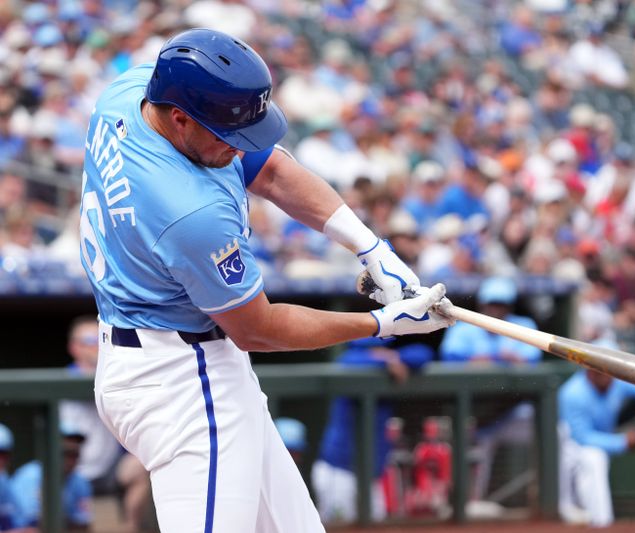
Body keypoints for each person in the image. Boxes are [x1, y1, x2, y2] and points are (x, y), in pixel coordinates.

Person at [80, 28, 452, 533]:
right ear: (180, 118)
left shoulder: (131, 92)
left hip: (170, 356)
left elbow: (271, 171)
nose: (240, 150)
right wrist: (381, 323)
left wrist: (371, 247)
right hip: (180, 380)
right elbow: (258, 328)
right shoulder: (189, 213)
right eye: (228, 136)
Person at [439, 277, 541, 502]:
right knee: (471, 478)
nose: (496, 310)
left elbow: (532, 360)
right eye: (492, 304)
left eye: (501, 305)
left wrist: (493, 360)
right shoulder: (462, 327)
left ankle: (548, 500)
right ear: (482, 305)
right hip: (474, 416)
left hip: (510, 413)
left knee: (555, 434)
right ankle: (465, 507)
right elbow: (449, 359)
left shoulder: (523, 325)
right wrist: (495, 359)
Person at [312, 337, 434, 524]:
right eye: (373, 349)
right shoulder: (351, 362)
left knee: (376, 524)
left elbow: (424, 353)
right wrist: (386, 361)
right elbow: (349, 361)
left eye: (381, 348)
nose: (379, 351)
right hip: (339, 471)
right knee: (338, 526)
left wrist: (392, 358)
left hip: (371, 473)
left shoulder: (391, 363)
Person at [58, 316, 151, 532]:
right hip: (71, 468)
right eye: (91, 340)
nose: (96, 347)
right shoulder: (68, 376)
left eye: (101, 338)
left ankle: (130, 527)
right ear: (74, 347)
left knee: (139, 465)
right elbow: (88, 381)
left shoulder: (114, 377)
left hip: (107, 467)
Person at [558, 350, 635, 528]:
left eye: (610, 368)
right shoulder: (573, 392)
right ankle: (601, 524)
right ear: (589, 369)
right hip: (571, 446)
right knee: (593, 458)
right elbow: (582, 438)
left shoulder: (615, 381)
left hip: (600, 439)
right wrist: (622, 442)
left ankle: (597, 520)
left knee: (594, 461)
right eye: (601, 368)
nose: (607, 373)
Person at [11, 425, 93, 531]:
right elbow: (32, 525)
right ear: (50, 449)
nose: (71, 459)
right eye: (66, 453)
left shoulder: (80, 482)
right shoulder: (30, 476)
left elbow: (84, 525)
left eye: (75, 454)